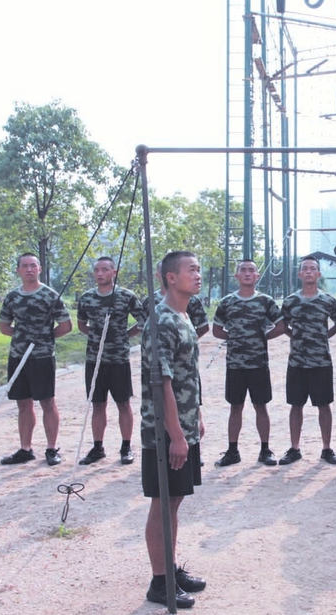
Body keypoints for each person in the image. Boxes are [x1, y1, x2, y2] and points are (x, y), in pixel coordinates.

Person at [140, 251, 208, 609]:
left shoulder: (183, 315)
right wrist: (177, 436)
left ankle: (169, 568)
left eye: (198, 269)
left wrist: (196, 415)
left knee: (175, 500)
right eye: (191, 270)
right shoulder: (162, 321)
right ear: (170, 277)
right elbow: (161, 382)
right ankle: (159, 582)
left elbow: (187, 373)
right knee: (163, 503)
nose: (198, 275)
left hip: (183, 424)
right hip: (164, 431)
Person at [0, 252, 72, 466]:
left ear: (39, 269)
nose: (29, 269)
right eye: (25, 266)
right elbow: (4, 327)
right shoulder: (12, 297)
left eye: (33, 265)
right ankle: (25, 449)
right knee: (23, 403)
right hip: (18, 357)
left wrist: (45, 339)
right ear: (18, 270)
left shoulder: (50, 295)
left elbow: (65, 326)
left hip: (42, 357)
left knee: (47, 402)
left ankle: (51, 448)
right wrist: (22, 337)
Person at [212, 259, 285, 467]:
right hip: (235, 365)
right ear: (236, 276)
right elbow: (217, 330)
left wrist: (261, 338)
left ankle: (265, 450)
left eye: (251, 270)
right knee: (235, 407)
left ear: (257, 276)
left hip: (258, 364)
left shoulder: (265, 301)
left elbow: (281, 326)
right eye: (242, 270)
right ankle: (232, 451)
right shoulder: (227, 302)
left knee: (261, 406)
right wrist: (237, 338)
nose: (247, 273)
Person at [76, 257, 145, 466]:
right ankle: (98, 447)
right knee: (98, 404)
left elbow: (142, 321)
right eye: (97, 270)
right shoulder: (87, 298)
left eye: (105, 269)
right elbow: (82, 324)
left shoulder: (126, 296)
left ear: (114, 272)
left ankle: (126, 446)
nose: (100, 273)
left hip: (118, 360)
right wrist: (97, 337)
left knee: (123, 403)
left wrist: (124, 335)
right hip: (94, 359)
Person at [277, 256, 336, 466]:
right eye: (304, 268)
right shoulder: (290, 301)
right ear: (299, 274)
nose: (308, 271)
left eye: (312, 268)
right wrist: (296, 337)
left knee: (324, 405)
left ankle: (327, 448)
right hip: (297, 362)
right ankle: (294, 448)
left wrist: (324, 336)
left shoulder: (328, 301)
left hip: (321, 362)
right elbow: (282, 325)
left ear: (318, 274)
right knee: (296, 405)